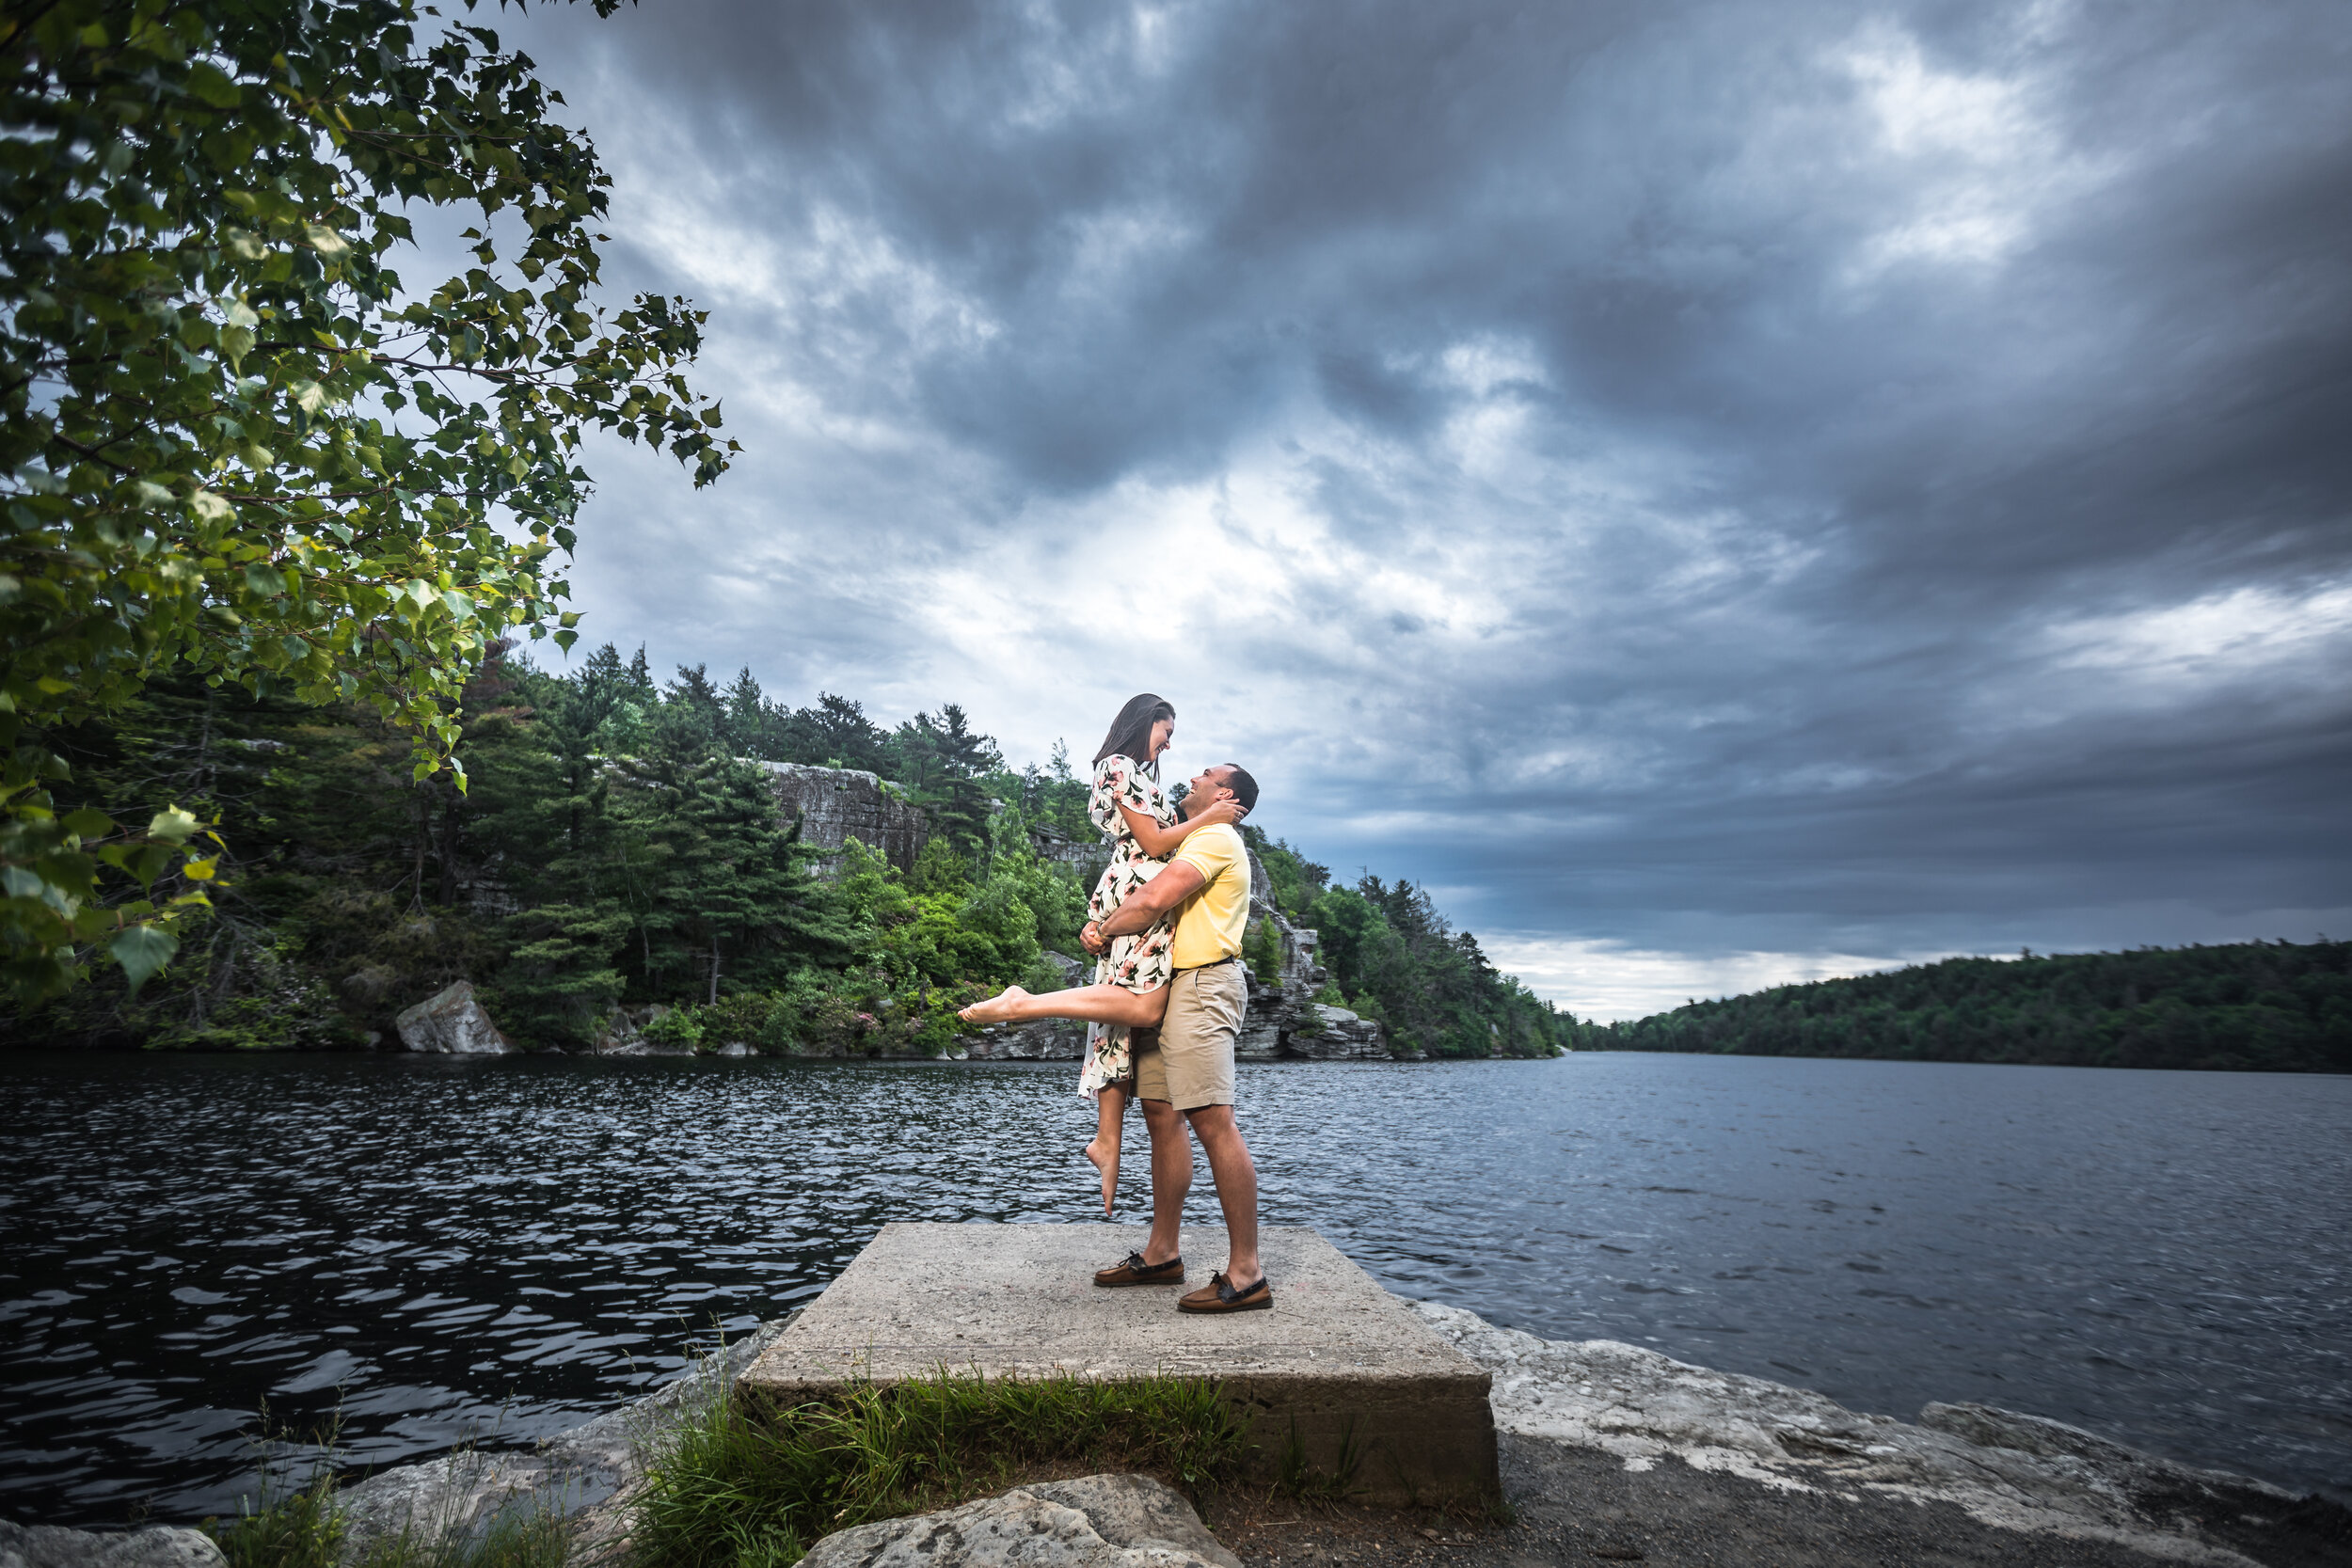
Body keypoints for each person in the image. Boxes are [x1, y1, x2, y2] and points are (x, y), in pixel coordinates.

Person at [959, 695, 1242, 1216]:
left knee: (1119, 1021)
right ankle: (1024, 1003)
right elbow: (1155, 845)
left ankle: (1107, 1142)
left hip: (1133, 893)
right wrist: (1211, 819)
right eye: (1166, 730)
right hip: (1140, 894)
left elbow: (1161, 839)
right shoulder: (1118, 766)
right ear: (1144, 724)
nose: (1171, 743)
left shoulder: (1144, 779)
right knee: (1142, 1007)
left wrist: (1207, 819)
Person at [1082, 760, 1269, 1313]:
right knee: (1161, 1116)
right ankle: (1163, 1252)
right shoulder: (1199, 834)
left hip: (1205, 984)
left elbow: (1151, 900)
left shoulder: (1216, 837)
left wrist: (1102, 928)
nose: (1192, 777)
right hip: (1172, 985)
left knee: (1213, 1119)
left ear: (1225, 793)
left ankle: (1247, 1274)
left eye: (1205, 773)